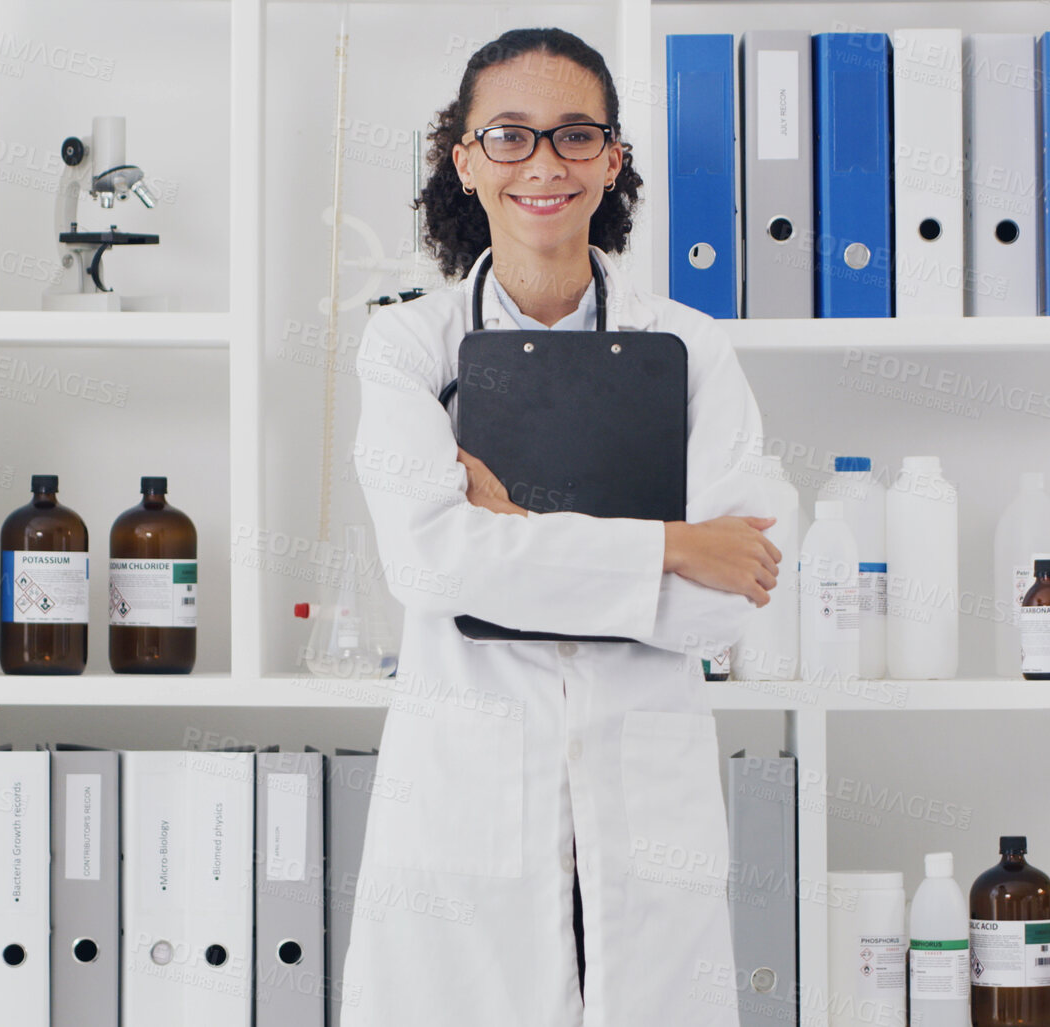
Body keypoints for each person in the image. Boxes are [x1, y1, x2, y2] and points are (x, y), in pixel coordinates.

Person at [339, 27, 782, 1027]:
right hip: (468, 811)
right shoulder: (410, 344)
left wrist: (512, 538)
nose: (544, 163)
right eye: (509, 136)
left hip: (646, 815)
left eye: (576, 136)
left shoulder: (692, 348)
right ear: (462, 158)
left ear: (614, 158)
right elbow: (430, 560)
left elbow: (727, 604)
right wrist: (670, 544)